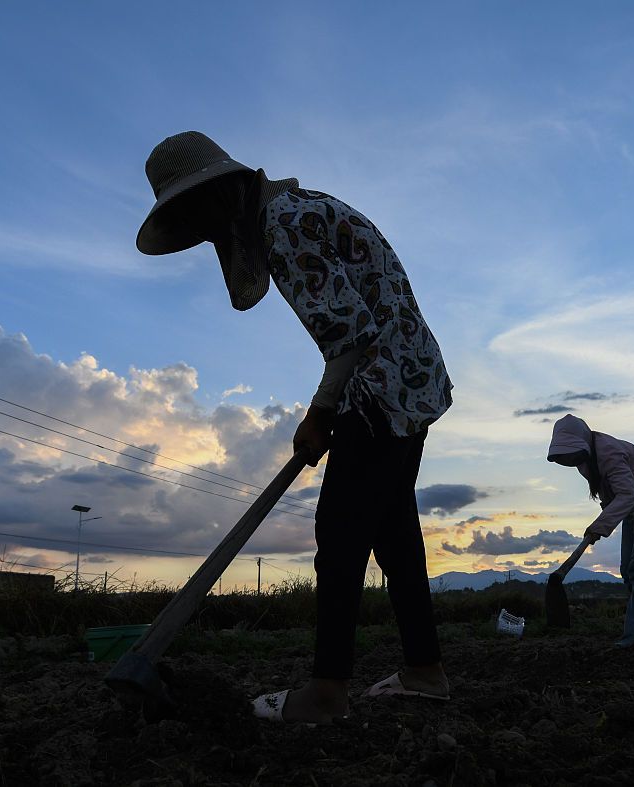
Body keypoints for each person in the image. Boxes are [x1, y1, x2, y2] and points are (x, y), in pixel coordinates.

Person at [136, 131, 455, 723]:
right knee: (394, 537)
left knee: (338, 536)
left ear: (219, 194)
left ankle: (327, 694)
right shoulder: (300, 210)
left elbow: (350, 337)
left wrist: (318, 415)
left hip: (381, 389)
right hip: (408, 382)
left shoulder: (283, 225)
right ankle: (425, 671)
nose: (204, 234)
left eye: (197, 216)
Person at [546, 414, 634, 656]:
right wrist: (600, 525)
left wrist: (601, 525)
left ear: (582, 441)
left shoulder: (609, 452)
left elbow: (627, 495)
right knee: (629, 571)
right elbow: (613, 497)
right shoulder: (585, 461)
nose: (571, 459)